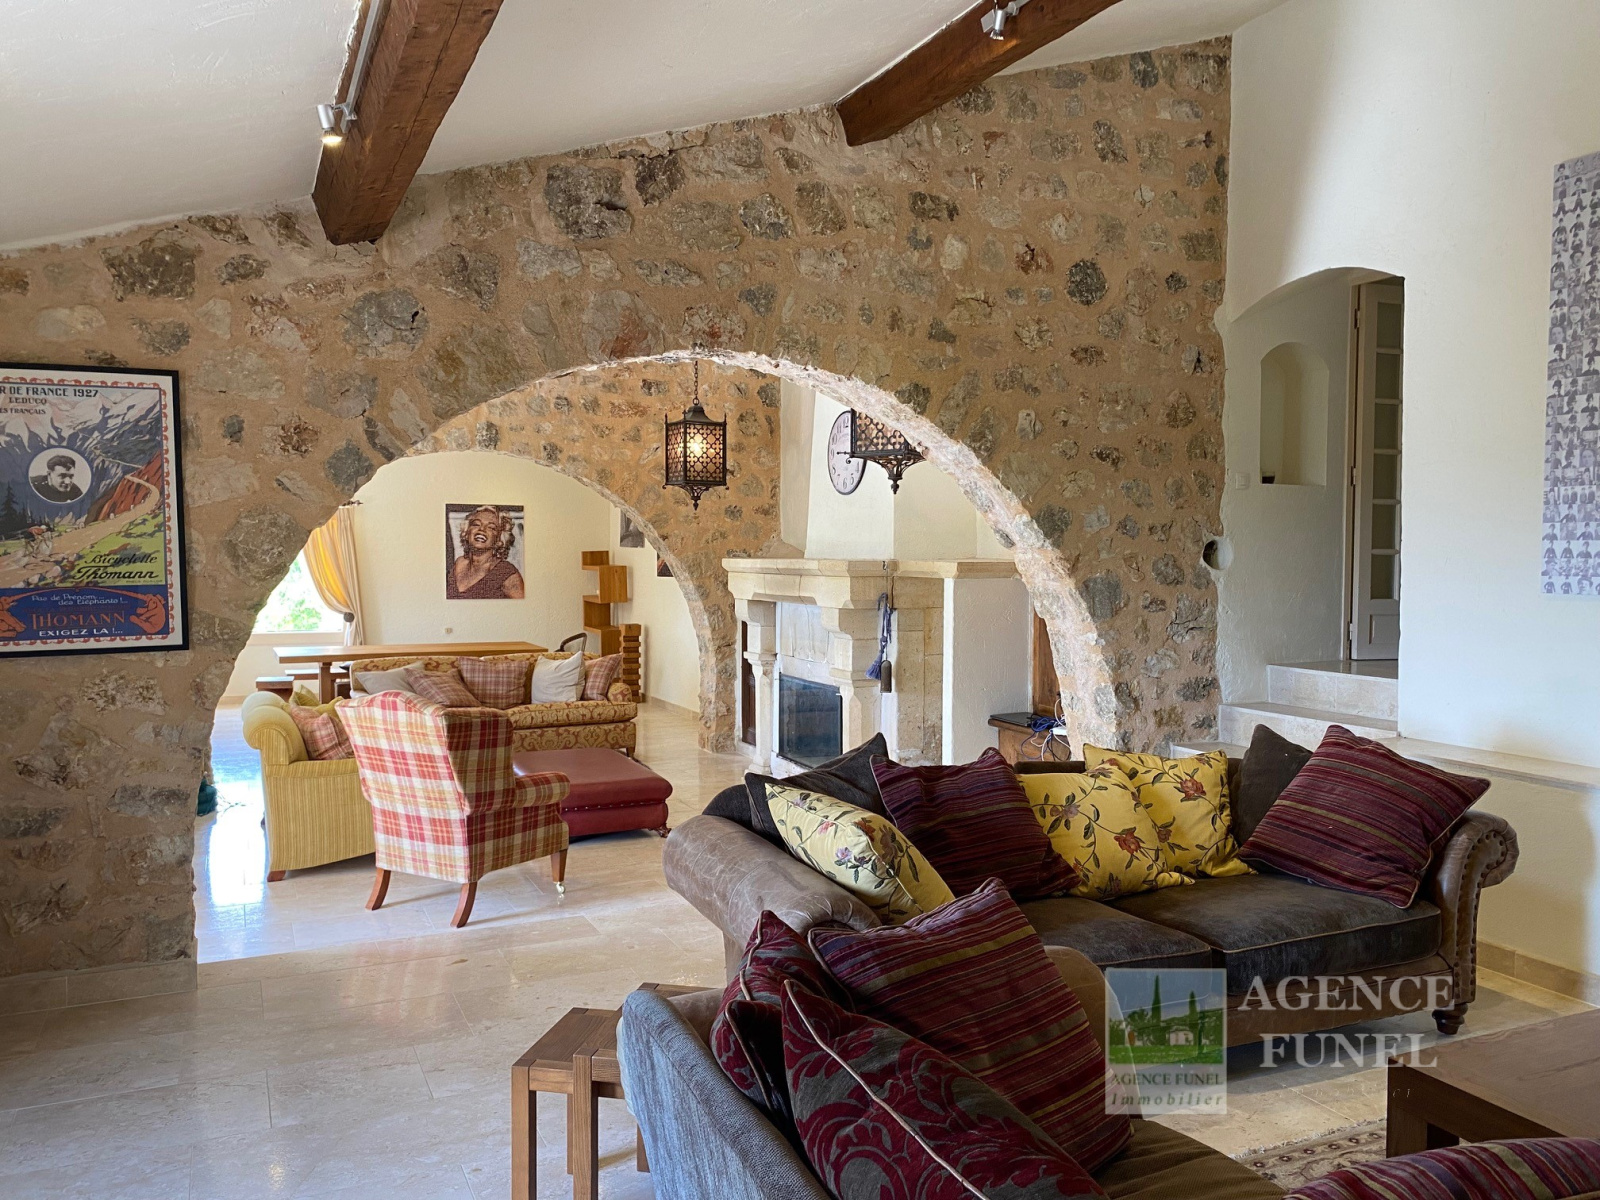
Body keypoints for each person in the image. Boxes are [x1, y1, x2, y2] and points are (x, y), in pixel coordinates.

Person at [447, 505, 525, 599]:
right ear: (467, 532)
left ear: (499, 540)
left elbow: (526, 606)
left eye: (491, 527)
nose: (482, 529)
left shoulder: (506, 573)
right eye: (476, 524)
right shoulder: (459, 564)